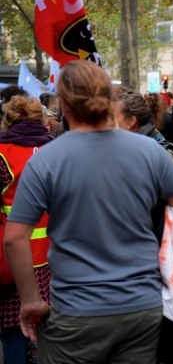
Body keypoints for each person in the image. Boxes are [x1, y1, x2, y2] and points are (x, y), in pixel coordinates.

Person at [3, 60, 173, 364]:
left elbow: (14, 239)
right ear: (108, 100)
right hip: (142, 308)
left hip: (76, 311)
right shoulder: (149, 151)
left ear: (63, 104)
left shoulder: (46, 159)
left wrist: (31, 301)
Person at [0, 96, 53, 364]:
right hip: (52, 258)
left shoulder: (1, 154)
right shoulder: (57, 152)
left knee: (12, 327)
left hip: (10, 258)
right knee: (49, 326)